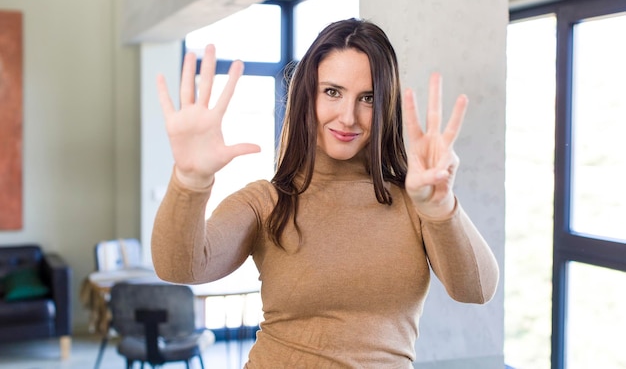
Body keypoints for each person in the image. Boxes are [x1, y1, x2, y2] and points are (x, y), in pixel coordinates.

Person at [151, 18, 499, 368]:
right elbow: (179, 267)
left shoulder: (412, 203)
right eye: (332, 92)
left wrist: (441, 208)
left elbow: (477, 290)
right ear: (306, 96)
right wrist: (190, 181)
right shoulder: (266, 203)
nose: (348, 117)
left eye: (367, 98)